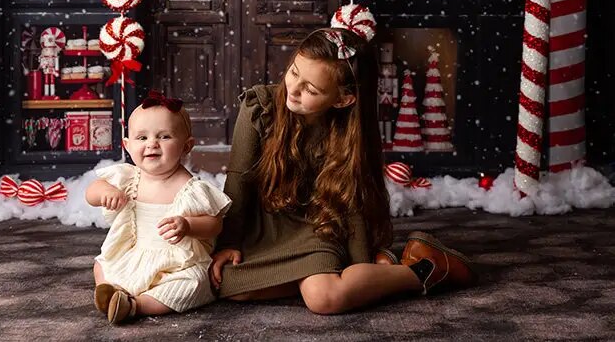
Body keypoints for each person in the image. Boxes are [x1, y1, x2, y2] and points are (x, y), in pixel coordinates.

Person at [209, 28, 476, 314]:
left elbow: (350, 203)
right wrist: (229, 242)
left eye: (311, 89)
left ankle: (425, 269)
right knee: (226, 285)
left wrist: (361, 260)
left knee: (325, 299)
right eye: (294, 72)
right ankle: (337, 276)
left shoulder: (346, 134)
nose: (294, 89)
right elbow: (238, 179)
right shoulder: (258, 107)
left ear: (342, 99)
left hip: (318, 226)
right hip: (265, 227)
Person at [85, 90, 232, 324]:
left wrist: (188, 225)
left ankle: (135, 306)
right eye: (142, 138)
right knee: (102, 263)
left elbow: (215, 224)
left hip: (176, 263)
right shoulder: (129, 178)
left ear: (186, 146)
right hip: (133, 253)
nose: (152, 143)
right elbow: (91, 192)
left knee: (193, 284)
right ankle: (109, 291)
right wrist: (106, 192)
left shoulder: (190, 188)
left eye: (164, 137)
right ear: (127, 145)